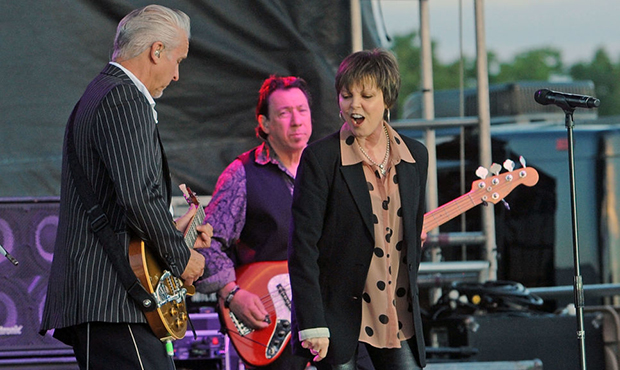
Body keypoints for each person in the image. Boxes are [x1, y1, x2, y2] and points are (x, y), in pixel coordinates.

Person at [39, 5, 211, 370]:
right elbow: (137, 197)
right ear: (156, 51)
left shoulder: (102, 92)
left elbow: (120, 199)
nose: (177, 75)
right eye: (177, 60)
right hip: (112, 298)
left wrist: (171, 232)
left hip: (107, 297)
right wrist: (181, 259)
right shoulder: (124, 98)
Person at [287, 49, 429, 370]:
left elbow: (412, 235)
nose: (354, 105)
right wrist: (312, 322)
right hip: (338, 315)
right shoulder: (321, 158)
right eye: (346, 95)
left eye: (367, 95)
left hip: (397, 314)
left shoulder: (415, 157)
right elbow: (302, 247)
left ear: (387, 100)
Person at [196, 75, 312, 370]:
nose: (296, 121)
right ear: (265, 123)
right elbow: (207, 244)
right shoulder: (241, 174)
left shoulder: (327, 171)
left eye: (302, 110)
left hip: (326, 315)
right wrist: (232, 293)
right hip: (272, 320)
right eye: (284, 113)